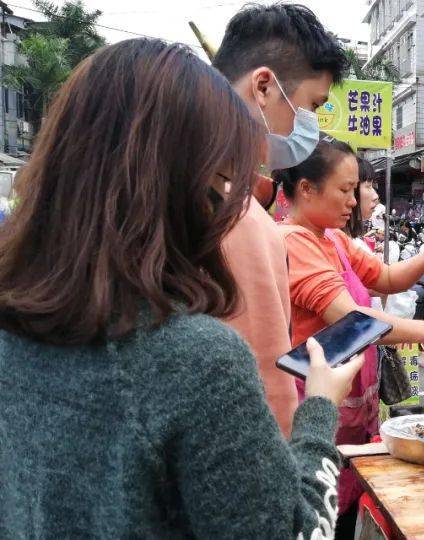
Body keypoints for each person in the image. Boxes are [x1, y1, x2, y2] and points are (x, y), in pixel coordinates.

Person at [0, 39, 363, 537]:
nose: (223, 208)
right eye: (222, 182)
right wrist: (320, 406)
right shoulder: (194, 361)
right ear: (182, 187)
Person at [274, 137, 424, 533]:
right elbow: (354, 319)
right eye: (345, 190)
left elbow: (386, 278)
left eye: (357, 189)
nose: (354, 200)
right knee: (319, 517)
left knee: (346, 509)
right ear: (306, 189)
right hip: (316, 407)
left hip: (351, 408)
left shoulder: (332, 237)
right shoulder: (292, 243)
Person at [212, 3, 349, 437]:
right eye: (311, 105)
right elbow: (271, 399)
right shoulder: (240, 220)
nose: (310, 124)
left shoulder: (179, 191)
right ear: (265, 87)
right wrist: (322, 405)